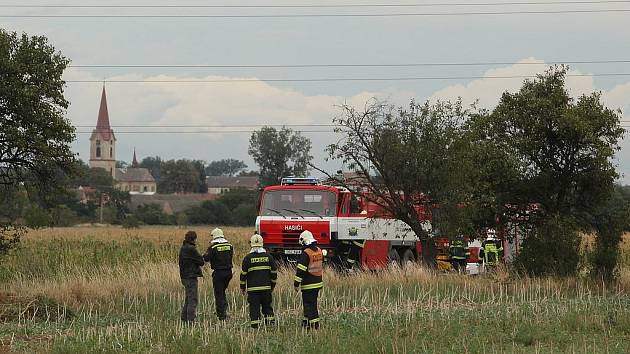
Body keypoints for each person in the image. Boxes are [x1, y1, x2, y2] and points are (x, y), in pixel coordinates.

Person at [240, 234, 277, 328]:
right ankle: (270, 326)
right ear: (262, 244)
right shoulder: (269, 257)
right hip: (266, 289)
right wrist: (272, 286)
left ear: (251, 244)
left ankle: (255, 328)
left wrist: (242, 288)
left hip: (253, 290)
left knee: (254, 309)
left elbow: (243, 275)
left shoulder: (247, 258)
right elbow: (274, 274)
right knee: (267, 308)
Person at [294, 230, 324, 329]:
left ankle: (315, 326)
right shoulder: (319, 250)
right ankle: (305, 324)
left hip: (308, 284)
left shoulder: (306, 253)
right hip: (318, 283)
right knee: (312, 304)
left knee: (309, 306)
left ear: (304, 241)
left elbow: (301, 270)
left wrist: (296, 283)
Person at [203, 227, 233, 321]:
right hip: (228, 273)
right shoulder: (229, 246)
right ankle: (224, 310)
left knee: (219, 294)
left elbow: (206, 258)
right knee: (222, 292)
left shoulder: (213, 247)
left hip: (218, 273)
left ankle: (221, 315)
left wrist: (204, 255)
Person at [178, 230, 205, 323]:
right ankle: (191, 321)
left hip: (184, 276)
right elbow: (201, 261)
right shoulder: (191, 249)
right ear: (194, 239)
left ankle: (184, 318)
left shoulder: (183, 248)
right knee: (193, 299)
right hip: (191, 276)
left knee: (188, 298)